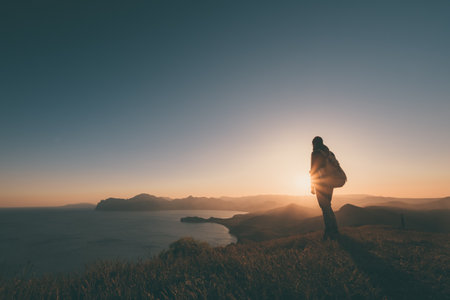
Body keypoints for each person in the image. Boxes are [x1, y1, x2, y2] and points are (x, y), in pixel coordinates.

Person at [310, 136, 339, 240]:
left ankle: (329, 231)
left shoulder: (315, 153)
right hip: (330, 183)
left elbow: (313, 170)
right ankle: (334, 229)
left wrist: (312, 186)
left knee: (324, 207)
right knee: (327, 206)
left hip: (321, 184)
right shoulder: (329, 153)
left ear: (314, 144)